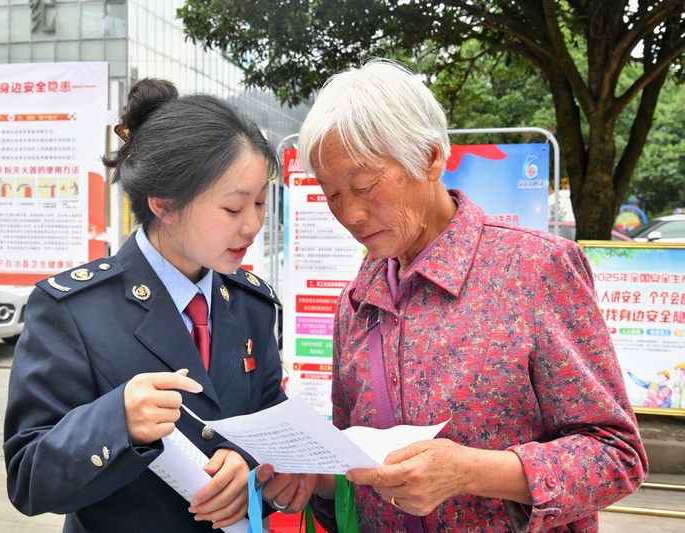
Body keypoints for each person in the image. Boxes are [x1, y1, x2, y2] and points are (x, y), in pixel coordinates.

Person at [260, 60, 647, 532]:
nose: (351, 214)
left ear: (429, 157)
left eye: (364, 186)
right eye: (332, 194)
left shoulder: (534, 270)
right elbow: (354, 472)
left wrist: (470, 472)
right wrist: (318, 480)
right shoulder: (358, 301)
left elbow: (617, 455)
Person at [3, 79, 287, 532]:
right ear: (164, 204)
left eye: (259, 202)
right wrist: (117, 420)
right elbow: (28, 479)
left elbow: (273, 420)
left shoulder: (251, 303)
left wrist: (248, 463)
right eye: (233, 209)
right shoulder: (75, 310)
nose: (252, 225)